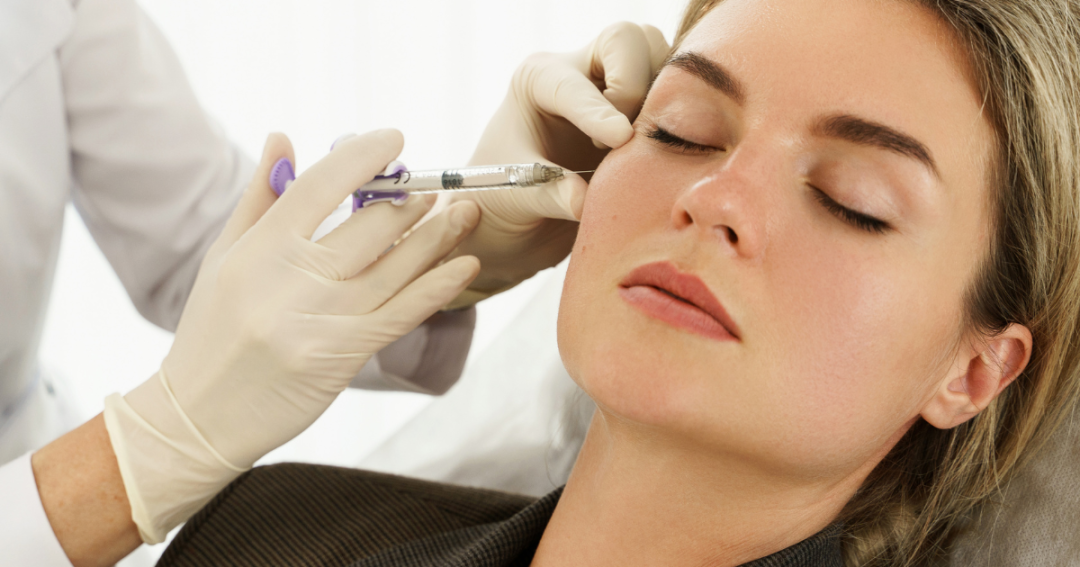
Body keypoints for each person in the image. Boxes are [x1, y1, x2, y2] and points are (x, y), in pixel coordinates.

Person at [155, 0, 1080, 565]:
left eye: (853, 201)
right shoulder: (270, 528)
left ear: (972, 371)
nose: (716, 198)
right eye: (679, 129)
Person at [0, 0, 668, 563]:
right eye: (687, 131)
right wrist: (134, 460)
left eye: (679, 130)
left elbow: (199, 243)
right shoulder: (267, 529)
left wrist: (457, 249)